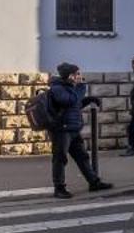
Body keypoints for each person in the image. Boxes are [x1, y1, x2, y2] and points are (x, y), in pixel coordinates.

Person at [47, 62, 112, 198]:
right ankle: (59, 188)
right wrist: (82, 88)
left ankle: (94, 182)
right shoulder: (57, 87)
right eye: (77, 74)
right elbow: (69, 101)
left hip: (73, 128)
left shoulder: (69, 87)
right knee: (60, 159)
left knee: (82, 157)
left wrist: (89, 100)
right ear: (70, 76)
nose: (80, 77)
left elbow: (74, 105)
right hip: (62, 129)